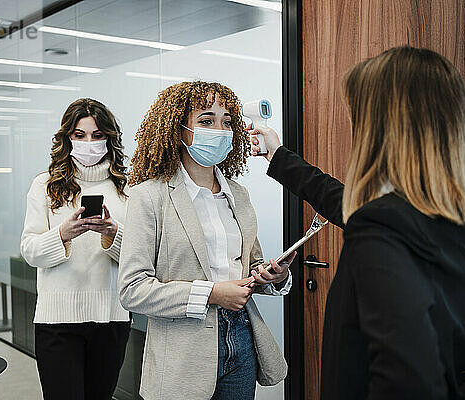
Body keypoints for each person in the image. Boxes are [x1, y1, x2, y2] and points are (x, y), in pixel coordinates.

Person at [250, 46, 465, 399]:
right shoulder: (457, 214)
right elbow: (345, 202)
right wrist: (278, 155)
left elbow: (404, 379)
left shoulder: (384, 230)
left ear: (387, 130)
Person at [118, 81, 293, 400]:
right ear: (179, 129)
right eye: (207, 120)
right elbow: (132, 290)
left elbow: (248, 266)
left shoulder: (238, 195)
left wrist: (272, 276)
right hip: (182, 351)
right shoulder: (149, 197)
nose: (221, 130)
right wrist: (211, 294)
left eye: (227, 121)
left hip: (241, 339)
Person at [20, 98, 130, 400]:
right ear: (67, 138)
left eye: (97, 136)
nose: (89, 143)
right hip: (56, 321)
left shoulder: (128, 188)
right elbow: (29, 250)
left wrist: (112, 234)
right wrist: (63, 235)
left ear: (109, 138)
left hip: (112, 317)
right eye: (79, 135)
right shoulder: (44, 185)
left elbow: (144, 257)